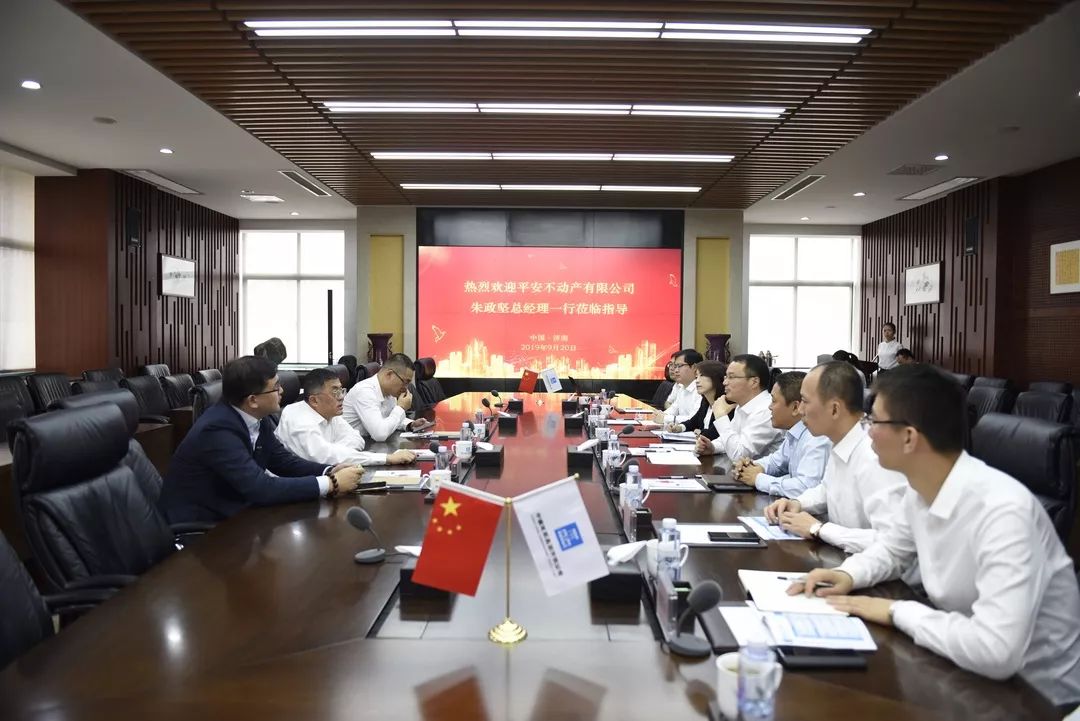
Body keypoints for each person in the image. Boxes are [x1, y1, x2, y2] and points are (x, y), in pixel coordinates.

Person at [791, 365, 1080, 707]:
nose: (867, 432)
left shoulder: (1003, 511)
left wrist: (896, 611)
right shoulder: (921, 491)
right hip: (960, 664)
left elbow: (996, 650)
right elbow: (891, 550)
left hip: (1034, 697)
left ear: (909, 437)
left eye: (874, 422)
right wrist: (846, 574)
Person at [160, 356, 362, 523]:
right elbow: (260, 488)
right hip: (202, 528)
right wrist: (331, 483)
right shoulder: (217, 430)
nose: (282, 391)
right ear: (253, 400)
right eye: (276, 387)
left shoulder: (256, 416)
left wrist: (329, 470)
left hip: (237, 513)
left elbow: (283, 461)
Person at [763, 361, 907, 554]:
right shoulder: (841, 440)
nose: (801, 410)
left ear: (834, 409)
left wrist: (819, 529)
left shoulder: (874, 456)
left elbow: (892, 541)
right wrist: (798, 503)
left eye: (805, 401)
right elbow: (827, 489)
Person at [276, 367, 417, 467]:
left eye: (341, 390)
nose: (342, 397)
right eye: (335, 392)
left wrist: (336, 452)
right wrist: (387, 458)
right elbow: (324, 457)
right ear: (314, 400)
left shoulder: (330, 412)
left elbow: (356, 439)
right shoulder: (298, 419)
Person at [732, 371, 831, 498]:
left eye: (774, 401)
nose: (769, 407)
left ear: (795, 408)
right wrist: (750, 467)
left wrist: (757, 479)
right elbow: (775, 462)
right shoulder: (795, 433)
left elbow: (805, 487)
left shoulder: (816, 437)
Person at [695, 354, 783, 461]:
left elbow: (739, 455)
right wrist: (712, 447)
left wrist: (721, 416)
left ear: (754, 382)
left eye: (731, 377)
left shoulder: (766, 410)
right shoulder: (743, 405)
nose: (725, 382)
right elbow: (731, 439)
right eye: (726, 377)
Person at [342, 353, 430, 441]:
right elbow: (380, 434)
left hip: (366, 443)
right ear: (389, 374)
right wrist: (401, 407)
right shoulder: (364, 391)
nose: (406, 388)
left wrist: (410, 424)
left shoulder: (389, 391)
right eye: (405, 382)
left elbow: (389, 419)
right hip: (348, 445)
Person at [665, 360, 725, 440]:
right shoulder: (705, 402)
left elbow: (716, 433)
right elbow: (693, 422)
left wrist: (701, 432)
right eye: (696, 377)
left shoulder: (725, 404)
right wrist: (679, 427)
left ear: (716, 378)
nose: (697, 381)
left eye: (702, 376)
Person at [653, 349, 703, 425]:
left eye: (679, 366)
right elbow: (673, 409)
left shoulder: (701, 389)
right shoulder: (682, 388)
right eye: (675, 366)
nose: (675, 370)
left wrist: (665, 418)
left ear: (694, 367)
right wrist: (660, 415)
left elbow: (693, 419)